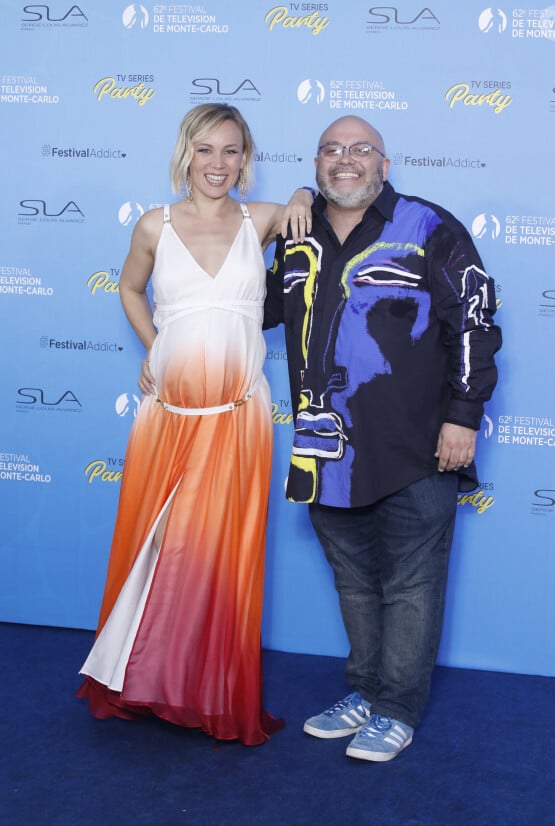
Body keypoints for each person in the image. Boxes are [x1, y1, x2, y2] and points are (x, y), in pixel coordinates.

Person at [265, 115, 501, 762]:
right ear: (315, 166)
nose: (347, 160)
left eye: (361, 150)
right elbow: (247, 306)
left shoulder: (428, 227)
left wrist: (464, 415)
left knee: (410, 585)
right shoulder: (295, 236)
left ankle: (397, 707)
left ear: (385, 164)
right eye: (331, 150)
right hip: (325, 449)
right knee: (353, 582)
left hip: (417, 446)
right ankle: (365, 691)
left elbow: (475, 323)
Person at [77, 103, 312, 746]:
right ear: (185, 153)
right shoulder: (154, 225)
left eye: (232, 151)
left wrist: (300, 189)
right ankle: (144, 679)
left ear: (246, 159)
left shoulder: (261, 220)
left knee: (219, 558)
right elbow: (128, 288)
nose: (218, 164)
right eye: (206, 150)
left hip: (237, 417)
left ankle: (209, 690)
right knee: (157, 550)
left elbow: (315, 207)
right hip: (167, 416)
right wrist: (152, 346)